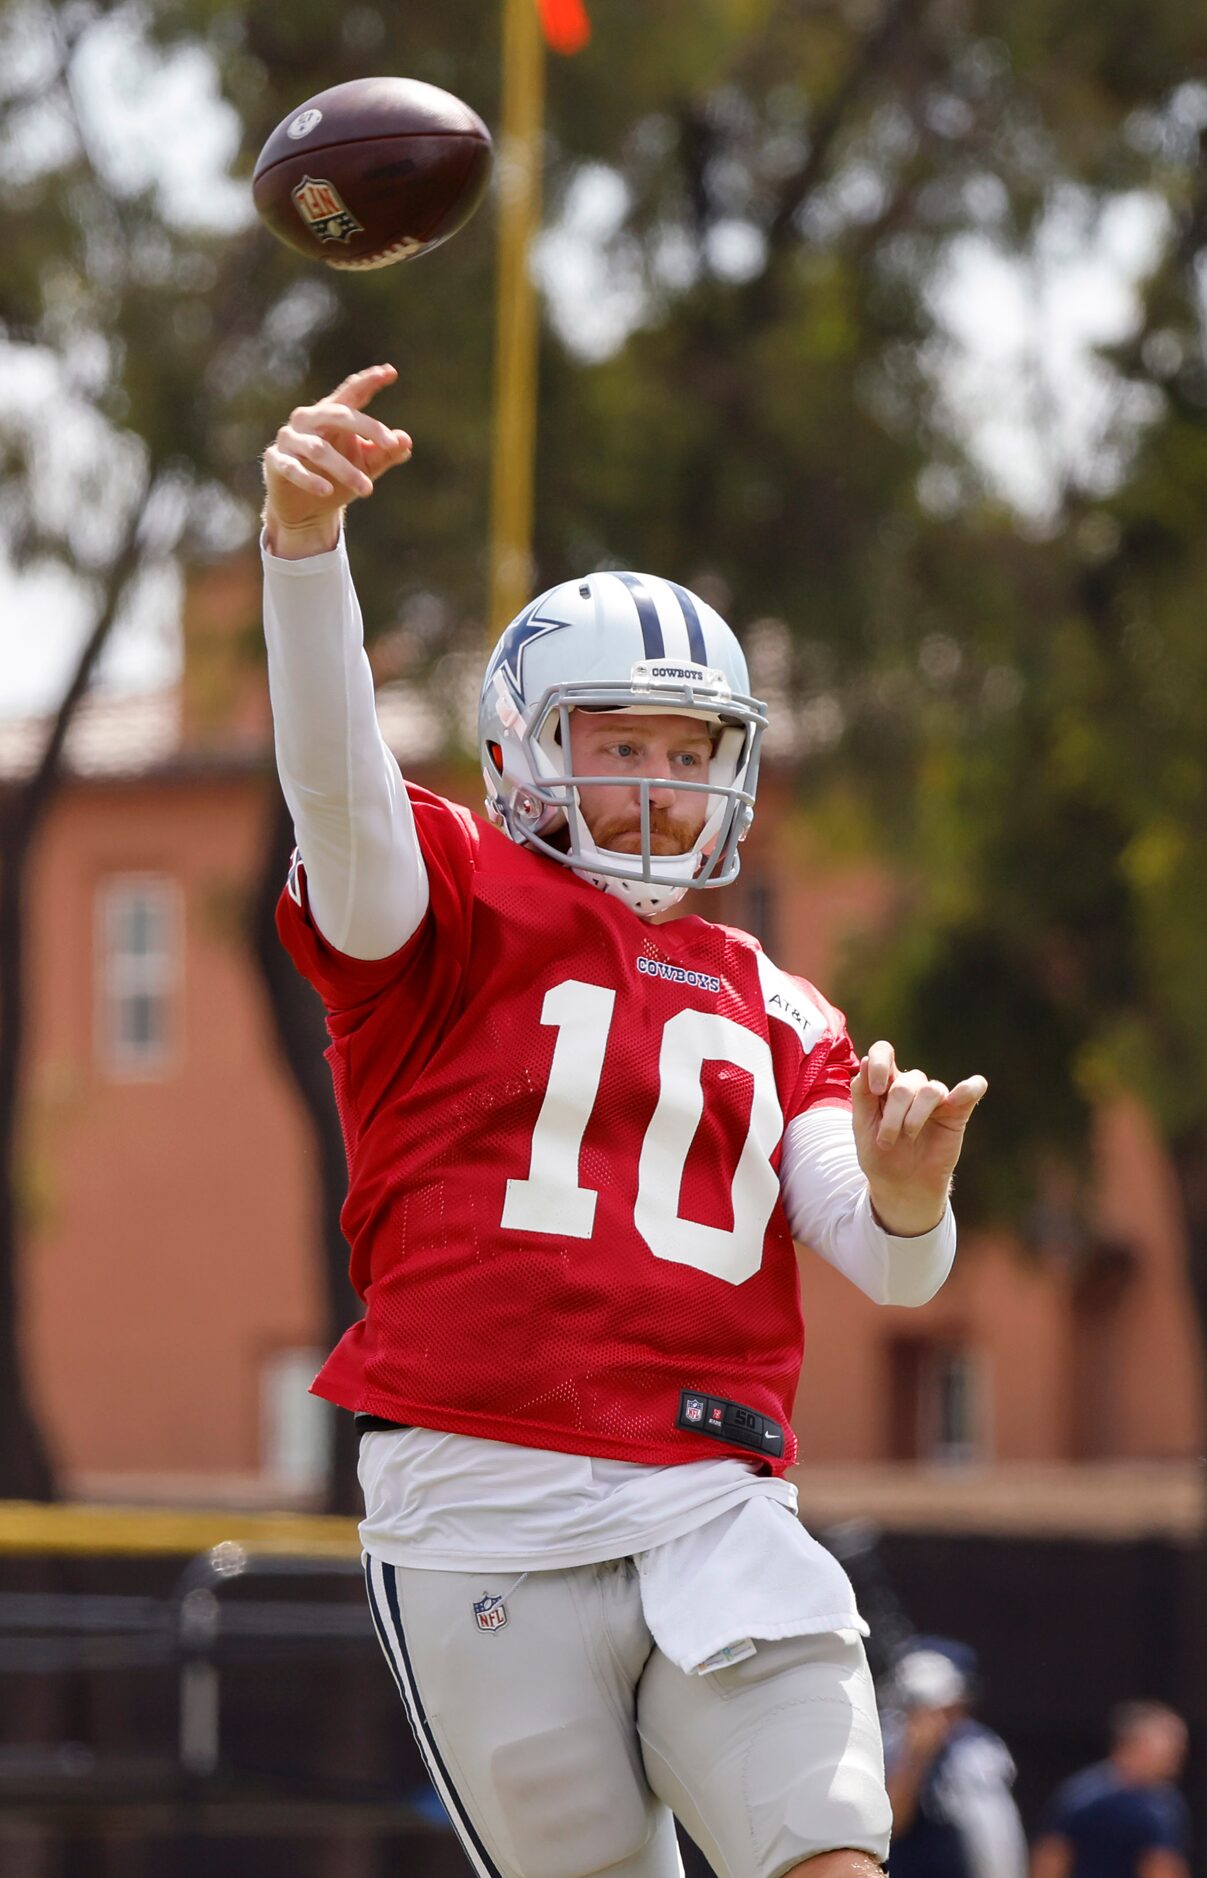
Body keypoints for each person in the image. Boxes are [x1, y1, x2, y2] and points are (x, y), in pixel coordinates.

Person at [260, 361, 988, 1878]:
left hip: (717, 1498)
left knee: (828, 1853)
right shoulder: (444, 905)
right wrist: (304, 549)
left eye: (687, 751)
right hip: (481, 1495)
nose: (658, 785)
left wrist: (909, 1190)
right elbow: (335, 792)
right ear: (528, 743)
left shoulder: (773, 1000)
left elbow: (894, 1268)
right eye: (620, 741)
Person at [883, 1637, 1027, 1878]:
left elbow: (999, 1836)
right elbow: (889, 1826)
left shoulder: (979, 1746)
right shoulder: (888, 1738)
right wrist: (915, 1757)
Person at [1031, 1701, 1190, 1878]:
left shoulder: (1164, 1800)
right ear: (1137, 1743)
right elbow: (1051, 1856)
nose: (1179, 1751)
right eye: (1171, 1742)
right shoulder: (1085, 1797)